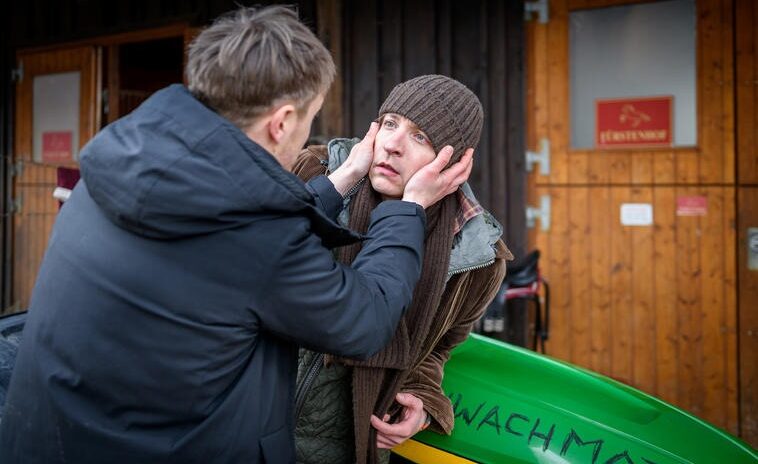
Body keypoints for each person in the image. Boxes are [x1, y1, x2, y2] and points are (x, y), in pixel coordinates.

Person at [0, 8, 474, 464]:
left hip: (49, 436)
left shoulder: (124, 155)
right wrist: (408, 210)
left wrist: (342, 178)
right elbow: (365, 321)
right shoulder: (255, 236)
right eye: (310, 118)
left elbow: (243, 220)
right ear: (283, 122)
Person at [292, 75, 513, 464]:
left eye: (420, 137)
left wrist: (425, 400)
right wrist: (340, 182)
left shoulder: (477, 255)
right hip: (248, 423)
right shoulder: (316, 171)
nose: (392, 144)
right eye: (390, 123)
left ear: (456, 161)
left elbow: (438, 348)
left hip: (345, 445)